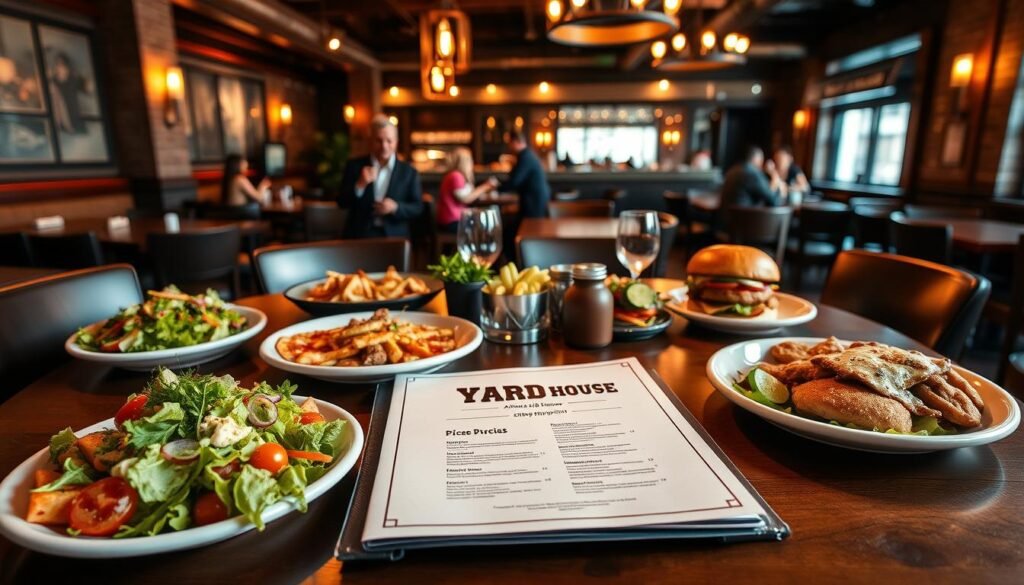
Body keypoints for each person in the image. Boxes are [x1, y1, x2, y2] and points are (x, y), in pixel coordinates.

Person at [338, 114, 423, 238]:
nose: (384, 146)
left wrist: (396, 207)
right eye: (379, 140)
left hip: (395, 237)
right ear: (370, 141)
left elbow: (418, 207)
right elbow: (342, 202)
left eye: (389, 141)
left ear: (396, 142)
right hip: (360, 236)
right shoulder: (354, 166)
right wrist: (360, 185)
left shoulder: (409, 172)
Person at [487, 129, 550, 220]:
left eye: (510, 143)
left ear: (515, 141)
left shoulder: (525, 157)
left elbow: (515, 181)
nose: (509, 146)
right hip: (534, 197)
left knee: (530, 226)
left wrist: (497, 188)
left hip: (534, 199)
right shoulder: (526, 155)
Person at [437, 147, 492, 232]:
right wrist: (485, 187)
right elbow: (465, 199)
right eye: (470, 160)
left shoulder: (454, 175)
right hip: (452, 221)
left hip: (452, 219)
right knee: (486, 225)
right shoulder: (456, 176)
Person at [719, 146, 785, 211]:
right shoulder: (752, 173)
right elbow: (775, 201)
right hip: (745, 217)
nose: (761, 165)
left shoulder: (733, 170)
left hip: (727, 216)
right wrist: (774, 176)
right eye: (761, 161)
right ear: (757, 159)